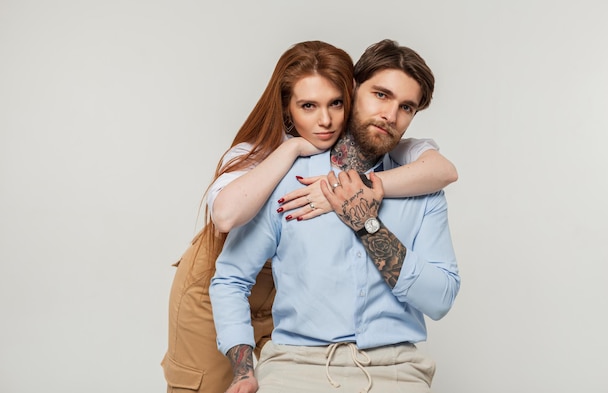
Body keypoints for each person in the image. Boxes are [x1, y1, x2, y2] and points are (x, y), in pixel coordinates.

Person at [163, 41, 457, 393]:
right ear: (352, 89)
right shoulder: (276, 172)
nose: (390, 115)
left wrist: (365, 222)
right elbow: (229, 264)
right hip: (294, 360)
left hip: (394, 369)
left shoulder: (421, 184)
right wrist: (243, 372)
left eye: (406, 107)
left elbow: (440, 299)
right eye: (381, 95)